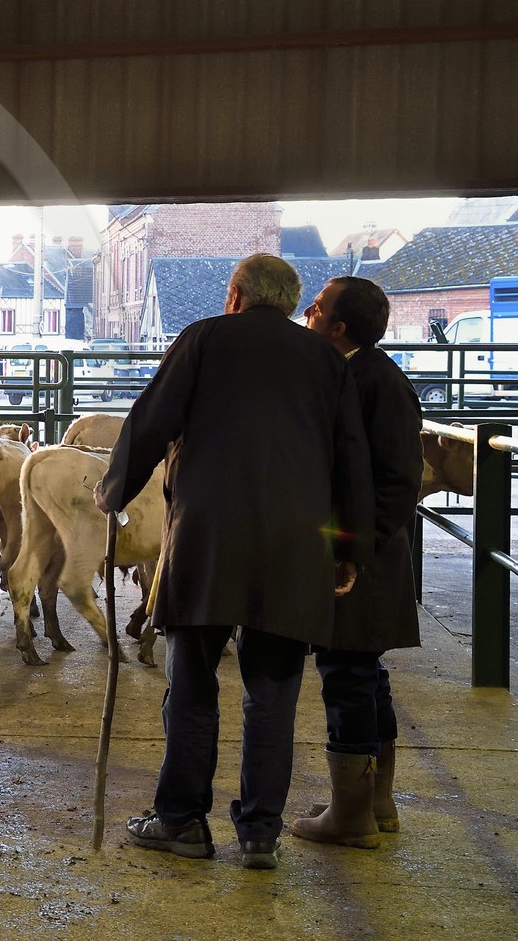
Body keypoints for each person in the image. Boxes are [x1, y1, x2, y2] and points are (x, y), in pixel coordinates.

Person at [95, 253, 371, 871]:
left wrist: (113, 492)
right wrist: (349, 550)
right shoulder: (326, 359)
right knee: (272, 695)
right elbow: (351, 460)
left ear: (236, 295)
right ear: (288, 301)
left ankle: (181, 822)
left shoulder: (204, 339)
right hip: (295, 548)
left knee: (192, 684)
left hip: (207, 540)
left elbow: (151, 420)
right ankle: (260, 834)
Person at [293, 276, 422, 848]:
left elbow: (397, 480)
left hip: (361, 560)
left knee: (346, 672)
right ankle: (374, 802)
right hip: (366, 553)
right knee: (365, 673)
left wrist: (351, 552)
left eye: (318, 307)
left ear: (337, 327)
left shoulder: (371, 381)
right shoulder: (364, 373)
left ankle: (351, 817)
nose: (308, 311)